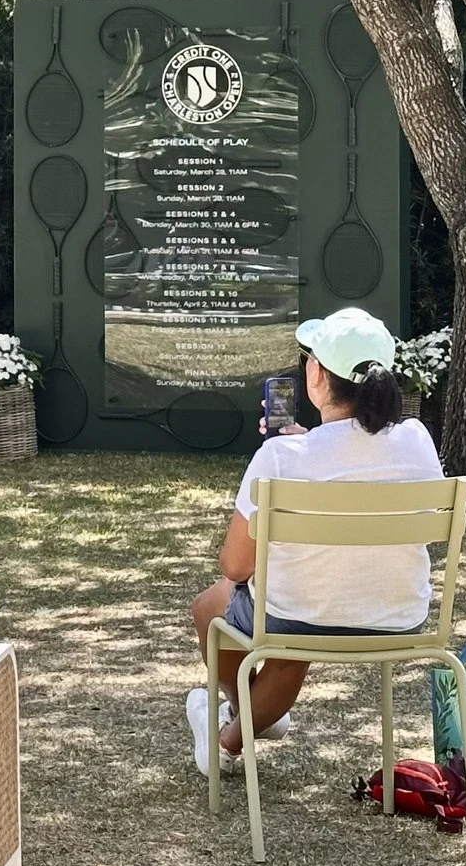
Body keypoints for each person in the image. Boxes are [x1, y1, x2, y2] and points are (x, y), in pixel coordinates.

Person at [184, 308, 441, 773]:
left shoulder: (282, 458)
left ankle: (234, 730)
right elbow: (359, 458)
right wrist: (313, 442)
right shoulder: (417, 441)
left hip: (298, 622)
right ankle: (251, 717)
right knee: (292, 636)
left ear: (317, 375)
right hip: (399, 620)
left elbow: (236, 567)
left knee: (211, 608)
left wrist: (299, 448)